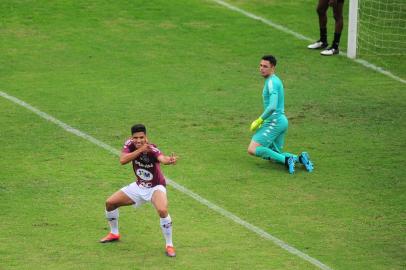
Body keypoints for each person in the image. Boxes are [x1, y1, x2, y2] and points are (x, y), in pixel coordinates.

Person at [99, 124, 178, 257]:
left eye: (141, 137)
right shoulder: (130, 144)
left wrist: (169, 160)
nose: (139, 140)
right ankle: (114, 233)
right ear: (132, 137)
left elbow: (162, 158)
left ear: (146, 137)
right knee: (110, 203)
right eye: (136, 138)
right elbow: (123, 160)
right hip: (139, 186)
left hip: (155, 187)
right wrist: (140, 150)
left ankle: (169, 245)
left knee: (162, 210)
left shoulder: (152, 149)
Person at [247, 55, 314, 174]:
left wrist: (259, 120)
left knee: (252, 149)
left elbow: (272, 107)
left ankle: (287, 160)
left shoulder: (271, 82)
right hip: (281, 121)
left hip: (274, 121)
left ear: (273, 67)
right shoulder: (274, 80)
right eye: (260, 65)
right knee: (273, 155)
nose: (261, 68)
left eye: (265, 66)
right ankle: (300, 159)